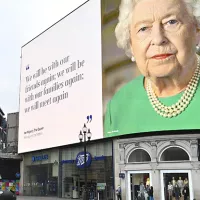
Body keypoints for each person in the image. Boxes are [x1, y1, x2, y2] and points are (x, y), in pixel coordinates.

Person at [104, 0, 200, 137]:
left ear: (197, 30)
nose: (158, 38)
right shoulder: (119, 105)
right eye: (143, 28)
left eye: (171, 22)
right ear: (131, 44)